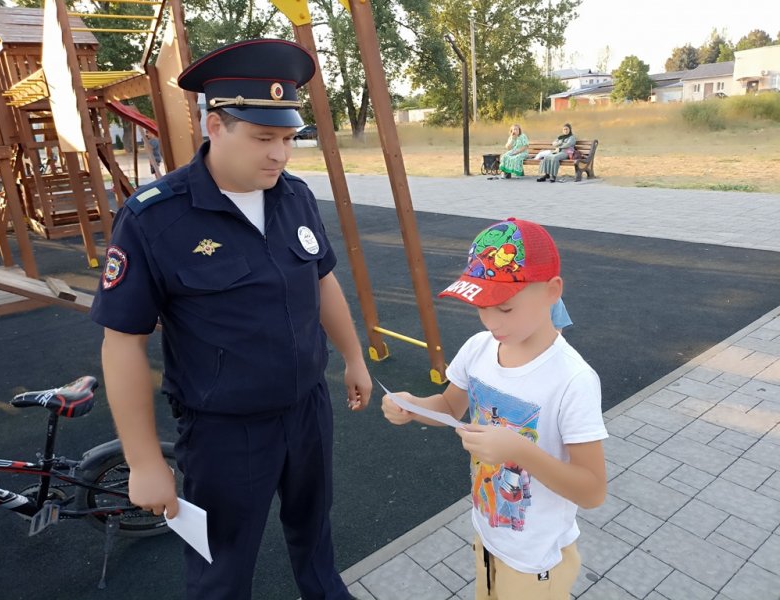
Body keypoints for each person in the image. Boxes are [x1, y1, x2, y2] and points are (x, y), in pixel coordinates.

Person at [89, 39, 372, 600]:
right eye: (264, 138)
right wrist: (144, 461)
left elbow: (321, 279)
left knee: (315, 535)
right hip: (224, 430)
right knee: (221, 565)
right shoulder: (156, 218)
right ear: (215, 125)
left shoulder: (293, 197)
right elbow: (122, 341)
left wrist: (353, 355)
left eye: (288, 139)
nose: (280, 155)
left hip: (307, 409)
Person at [381, 218, 607, 600]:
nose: (490, 322)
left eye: (504, 308)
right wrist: (413, 406)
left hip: (536, 559)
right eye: (481, 307)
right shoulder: (478, 348)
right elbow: (450, 404)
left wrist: (518, 450)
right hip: (487, 531)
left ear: (552, 291)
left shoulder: (572, 380)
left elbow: (592, 491)